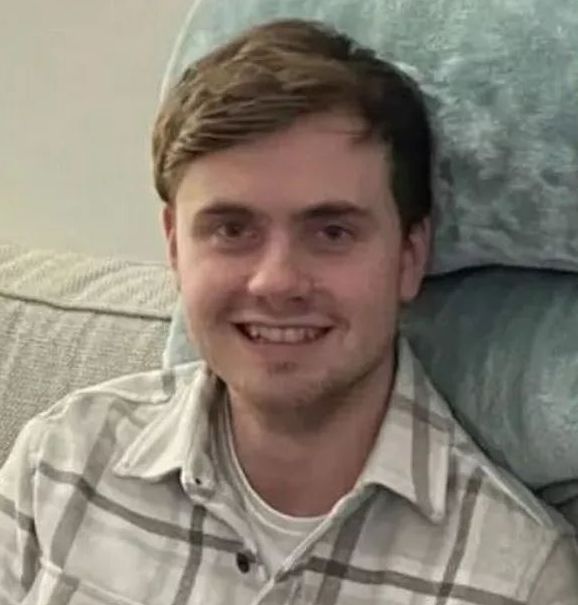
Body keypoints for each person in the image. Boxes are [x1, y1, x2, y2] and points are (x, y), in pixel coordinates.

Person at [1, 18, 577, 605]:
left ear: (409, 255)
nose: (276, 281)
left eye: (331, 231)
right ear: (175, 246)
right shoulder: (61, 463)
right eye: (231, 229)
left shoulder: (517, 579)